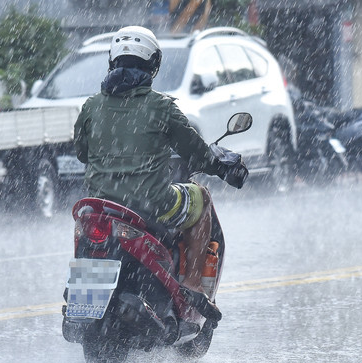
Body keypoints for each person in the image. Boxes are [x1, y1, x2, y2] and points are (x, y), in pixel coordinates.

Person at [74, 26, 245, 322]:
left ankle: (83, 301)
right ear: (153, 65)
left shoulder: (91, 106)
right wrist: (221, 165)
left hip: (100, 204)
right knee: (201, 197)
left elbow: (82, 154)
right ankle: (192, 285)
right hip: (151, 204)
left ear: (113, 61)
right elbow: (198, 154)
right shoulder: (161, 107)